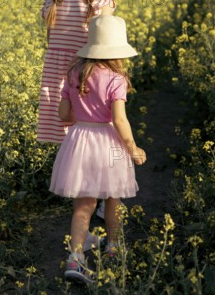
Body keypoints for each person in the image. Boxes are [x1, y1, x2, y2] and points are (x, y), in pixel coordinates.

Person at [49, 15, 147, 284]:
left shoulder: (74, 74)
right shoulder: (116, 78)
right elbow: (120, 120)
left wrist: (81, 111)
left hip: (79, 140)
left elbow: (63, 114)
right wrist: (133, 147)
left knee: (84, 204)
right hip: (111, 142)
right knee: (113, 197)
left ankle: (75, 258)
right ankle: (114, 246)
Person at [37, 0, 115, 250]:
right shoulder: (100, 2)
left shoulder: (52, 0)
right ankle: (90, 216)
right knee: (96, 151)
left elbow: (52, 42)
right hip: (87, 86)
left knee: (76, 151)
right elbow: (106, 48)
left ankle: (85, 223)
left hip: (57, 87)